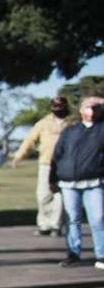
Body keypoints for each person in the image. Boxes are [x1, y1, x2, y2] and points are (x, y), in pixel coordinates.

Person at [51, 94, 104, 269]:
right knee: (72, 219)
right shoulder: (70, 131)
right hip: (69, 183)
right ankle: (73, 253)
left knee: (98, 219)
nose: (92, 111)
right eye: (88, 107)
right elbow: (57, 155)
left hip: (94, 182)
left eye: (95, 108)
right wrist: (52, 178)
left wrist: (99, 101)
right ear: (81, 110)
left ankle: (102, 255)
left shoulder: (102, 129)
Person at [13, 95, 76, 238]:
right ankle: (44, 224)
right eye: (55, 106)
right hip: (46, 163)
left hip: (65, 164)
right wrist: (19, 156)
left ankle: (56, 225)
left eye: (61, 106)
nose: (58, 109)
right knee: (43, 195)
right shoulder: (43, 123)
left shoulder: (72, 123)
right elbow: (30, 140)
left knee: (59, 196)